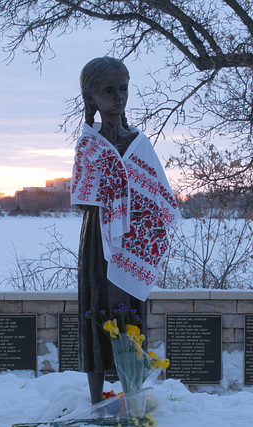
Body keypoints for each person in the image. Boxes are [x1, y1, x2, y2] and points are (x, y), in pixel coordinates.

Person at [70, 57, 180, 404]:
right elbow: (83, 199)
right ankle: (95, 396)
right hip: (97, 243)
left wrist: (131, 200)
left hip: (132, 239)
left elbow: (158, 196)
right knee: (96, 307)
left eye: (123, 89)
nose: (118, 97)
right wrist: (111, 190)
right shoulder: (90, 144)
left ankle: (132, 391)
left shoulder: (139, 142)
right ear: (91, 99)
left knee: (131, 311)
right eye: (108, 90)